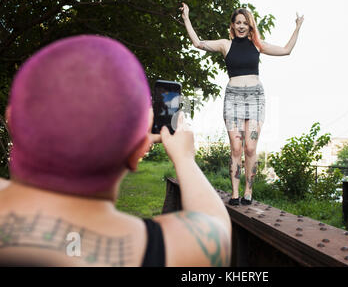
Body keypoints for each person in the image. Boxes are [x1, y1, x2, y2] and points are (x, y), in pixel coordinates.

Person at [0, 35, 231, 267]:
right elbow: (216, 227)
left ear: (11, 121)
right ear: (138, 152)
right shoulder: (165, 252)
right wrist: (184, 158)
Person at [180, 3, 304, 205]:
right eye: (238, 23)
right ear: (232, 25)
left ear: (250, 25)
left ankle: (249, 191)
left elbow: (286, 50)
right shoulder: (225, 45)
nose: (241, 26)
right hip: (233, 99)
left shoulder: (257, 44)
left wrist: (297, 27)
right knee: (236, 148)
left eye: (245, 23)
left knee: (251, 148)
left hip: (255, 98)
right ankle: (235, 194)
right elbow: (198, 43)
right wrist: (186, 17)